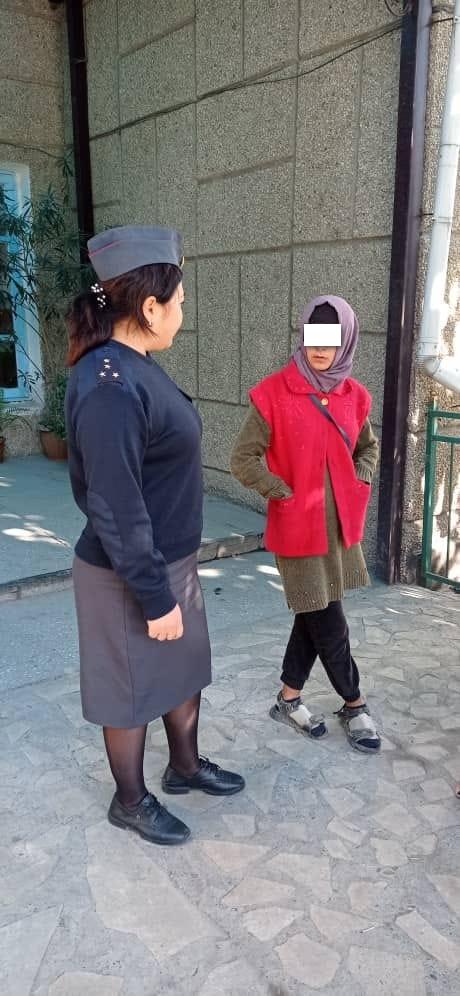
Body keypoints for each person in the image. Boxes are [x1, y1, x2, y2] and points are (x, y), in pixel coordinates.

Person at [65, 225, 244, 847]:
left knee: (183, 668)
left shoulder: (135, 366)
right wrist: (154, 595)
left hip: (169, 560)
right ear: (149, 307)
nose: (182, 314)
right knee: (129, 690)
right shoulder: (108, 387)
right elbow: (115, 506)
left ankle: (184, 767)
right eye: (180, 302)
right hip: (126, 571)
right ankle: (130, 801)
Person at [231, 295, 381, 753]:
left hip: (338, 532)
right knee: (330, 621)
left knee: (314, 611)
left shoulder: (354, 397)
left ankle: (288, 697)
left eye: (330, 341)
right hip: (298, 530)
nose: (319, 349)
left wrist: (360, 476)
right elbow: (242, 459)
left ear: (346, 341)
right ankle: (354, 703)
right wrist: (281, 491)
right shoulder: (273, 393)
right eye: (313, 338)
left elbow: (368, 448)